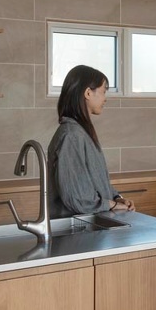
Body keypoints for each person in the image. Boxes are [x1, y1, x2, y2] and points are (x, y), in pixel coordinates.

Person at [48, 65, 134, 218]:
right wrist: (112, 205)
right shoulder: (72, 136)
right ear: (88, 93)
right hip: (77, 225)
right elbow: (77, 197)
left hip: (88, 221)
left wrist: (117, 198)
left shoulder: (81, 132)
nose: (105, 98)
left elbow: (94, 181)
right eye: (103, 92)